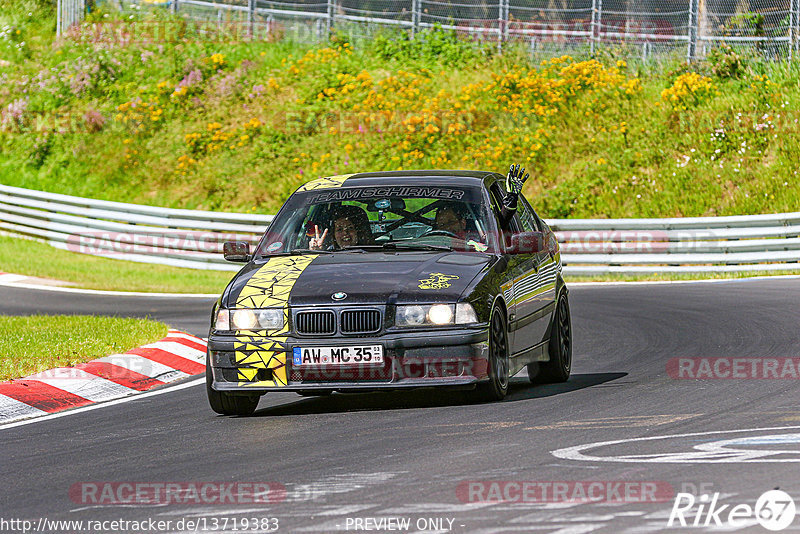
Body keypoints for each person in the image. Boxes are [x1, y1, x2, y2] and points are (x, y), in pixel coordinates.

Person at [308, 205, 374, 250]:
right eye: (339, 229)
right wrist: (316, 252)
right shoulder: (327, 253)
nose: (345, 233)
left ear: (357, 231)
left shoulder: (373, 252)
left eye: (350, 228)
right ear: (333, 234)